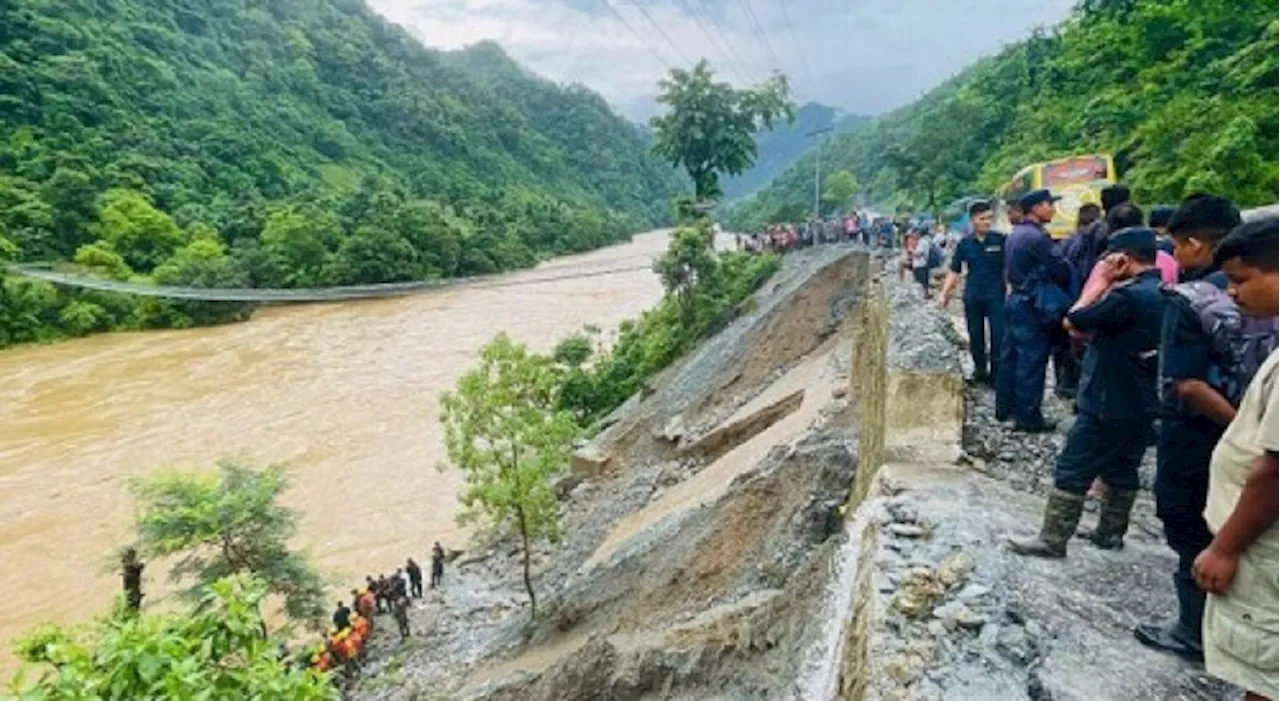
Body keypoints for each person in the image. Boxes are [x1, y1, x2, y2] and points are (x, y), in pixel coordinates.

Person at [1135, 197, 1280, 661]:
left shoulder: (1190, 300)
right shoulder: (1260, 297)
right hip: (1254, 437)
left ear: (1195, 243)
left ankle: (1194, 629)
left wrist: (1246, 434)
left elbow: (1188, 384)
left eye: (1178, 247)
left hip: (1205, 437)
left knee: (1188, 523)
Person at [1009, 227, 1166, 557]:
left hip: (1107, 399)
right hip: (1142, 400)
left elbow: (1075, 318)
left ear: (1123, 257)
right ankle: (1111, 533)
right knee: (1122, 467)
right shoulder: (1163, 291)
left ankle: (1053, 540)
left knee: (1072, 467)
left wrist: (1099, 283)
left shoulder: (1126, 297)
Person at [1193, 216, 1280, 701]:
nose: (1231, 293)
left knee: (1266, 671)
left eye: (1241, 281)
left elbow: (1276, 469)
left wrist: (1225, 546)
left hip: (1265, 548)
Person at [995, 189, 1074, 432]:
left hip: (1016, 299)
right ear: (1037, 208)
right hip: (1032, 304)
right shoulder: (1037, 237)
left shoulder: (1016, 234)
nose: (1052, 209)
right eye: (1049, 204)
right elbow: (1061, 268)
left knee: (1011, 356)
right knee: (1032, 358)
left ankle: (1005, 408)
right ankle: (1028, 417)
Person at [939, 200, 1006, 386]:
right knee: (975, 335)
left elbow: (1008, 269)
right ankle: (980, 370)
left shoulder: (1000, 240)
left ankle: (997, 374)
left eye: (989, 218)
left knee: (998, 336)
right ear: (973, 220)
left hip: (996, 296)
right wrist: (945, 293)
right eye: (982, 218)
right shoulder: (965, 244)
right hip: (973, 295)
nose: (987, 222)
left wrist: (1010, 290)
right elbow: (955, 270)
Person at [901, 228, 935, 295]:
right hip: (920, 265)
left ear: (918, 234)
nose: (913, 236)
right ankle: (925, 295)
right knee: (923, 283)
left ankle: (923, 296)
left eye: (914, 234)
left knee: (921, 283)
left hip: (921, 265)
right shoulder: (922, 242)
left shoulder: (922, 242)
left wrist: (911, 250)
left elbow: (919, 254)